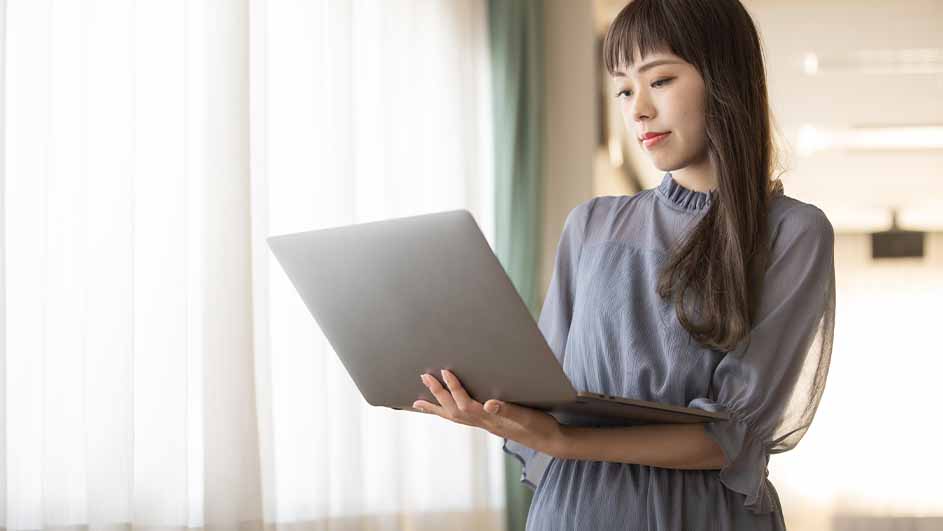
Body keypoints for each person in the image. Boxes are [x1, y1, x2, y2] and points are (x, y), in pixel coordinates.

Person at [411, 0, 836, 529]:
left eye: (659, 80)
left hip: (697, 516)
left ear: (724, 79)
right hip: (574, 510)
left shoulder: (792, 233)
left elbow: (730, 437)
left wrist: (565, 442)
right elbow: (544, 395)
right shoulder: (590, 225)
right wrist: (485, 407)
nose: (637, 109)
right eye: (623, 88)